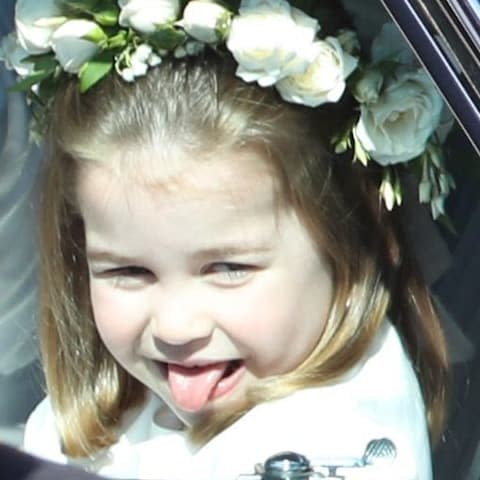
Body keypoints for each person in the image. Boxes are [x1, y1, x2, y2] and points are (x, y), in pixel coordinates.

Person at [1, 0, 452, 478]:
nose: (176, 327)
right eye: (128, 271)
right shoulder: (110, 414)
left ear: (355, 242)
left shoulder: (329, 447)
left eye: (228, 268)